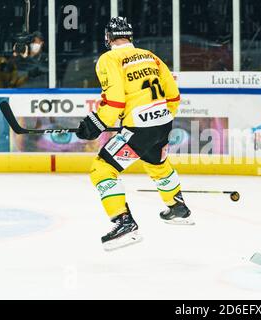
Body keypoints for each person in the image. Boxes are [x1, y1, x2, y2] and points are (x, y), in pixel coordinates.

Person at [76, 17, 193, 251]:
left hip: (140, 129)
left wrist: (97, 122)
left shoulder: (109, 58)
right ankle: (178, 207)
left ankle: (123, 222)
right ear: (130, 36)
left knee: (102, 169)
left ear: (108, 38)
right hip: (162, 124)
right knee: (157, 165)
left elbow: (116, 100)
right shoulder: (151, 56)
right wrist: (157, 116)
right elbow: (173, 96)